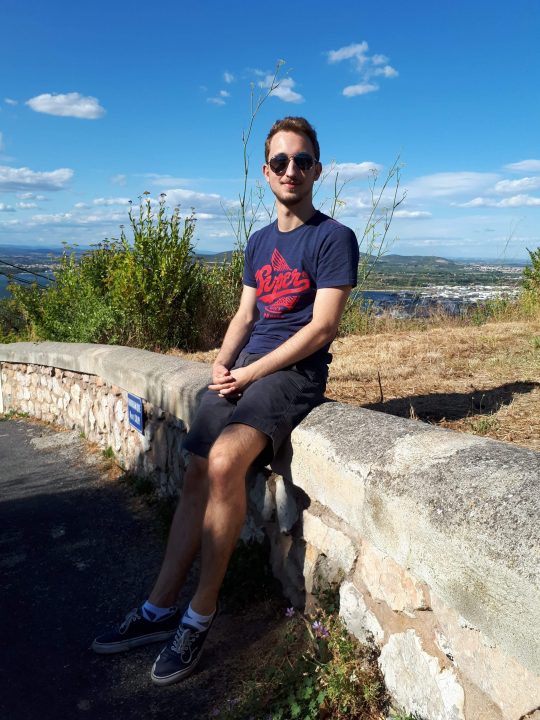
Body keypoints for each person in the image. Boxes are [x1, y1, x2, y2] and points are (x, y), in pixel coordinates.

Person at [92, 116, 359, 686]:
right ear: (266, 173)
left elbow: (322, 329)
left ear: (318, 170)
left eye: (303, 161)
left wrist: (251, 372)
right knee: (195, 470)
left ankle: (199, 614)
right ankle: (158, 608)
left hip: (291, 375)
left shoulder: (334, 237)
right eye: (281, 162)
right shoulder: (260, 241)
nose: (292, 170)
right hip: (243, 371)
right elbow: (246, 313)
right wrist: (221, 360)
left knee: (223, 462)